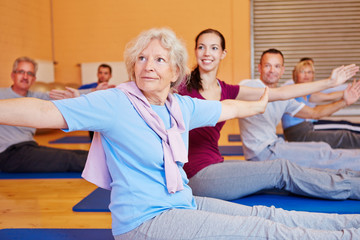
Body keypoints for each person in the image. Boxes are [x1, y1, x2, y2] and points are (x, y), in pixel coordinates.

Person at [1, 29, 360, 239]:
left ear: (174, 69)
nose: (148, 65)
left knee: (264, 215)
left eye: (158, 59)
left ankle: (350, 225)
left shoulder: (179, 106)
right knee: (260, 233)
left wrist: (267, 95)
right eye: (141, 59)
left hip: (180, 200)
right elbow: (42, 111)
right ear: (132, 66)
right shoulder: (115, 103)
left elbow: (233, 107)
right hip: (145, 222)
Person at [178, 28, 360, 202]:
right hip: (197, 173)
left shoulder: (227, 90)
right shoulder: (181, 86)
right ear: (195, 51)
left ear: (223, 54)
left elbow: (282, 94)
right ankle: (354, 187)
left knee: (307, 161)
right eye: (201, 47)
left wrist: (330, 82)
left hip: (215, 165)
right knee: (283, 169)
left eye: (214, 48)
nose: (207, 53)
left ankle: (352, 179)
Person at [238, 48, 360, 171]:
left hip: (275, 146)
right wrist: (330, 82)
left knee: (321, 148)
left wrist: (344, 102)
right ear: (259, 68)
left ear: (282, 70)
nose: (272, 70)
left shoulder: (284, 97)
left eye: (277, 66)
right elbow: (277, 93)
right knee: (322, 155)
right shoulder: (249, 85)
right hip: (262, 153)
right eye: (267, 66)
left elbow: (314, 113)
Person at [0, 56, 87, 173]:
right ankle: (107, 165)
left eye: (29, 73)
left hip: (29, 147)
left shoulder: (35, 97)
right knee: (69, 159)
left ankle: (107, 160)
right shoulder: (1, 95)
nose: (25, 77)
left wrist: (96, 90)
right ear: (12, 75)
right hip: (8, 154)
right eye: (21, 72)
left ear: (34, 79)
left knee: (73, 153)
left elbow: (66, 94)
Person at [281, 59, 360, 148]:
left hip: (307, 126)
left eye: (309, 72)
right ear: (295, 75)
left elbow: (328, 96)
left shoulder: (306, 93)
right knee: (345, 134)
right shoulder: (292, 90)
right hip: (299, 132)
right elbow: (315, 113)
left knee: (345, 125)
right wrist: (345, 101)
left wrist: (349, 92)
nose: (306, 75)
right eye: (302, 72)